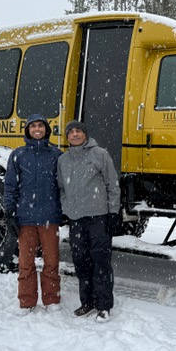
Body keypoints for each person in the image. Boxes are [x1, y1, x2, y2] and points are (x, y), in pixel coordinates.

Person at [57, 120, 120, 322]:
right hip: (76, 220)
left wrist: (113, 212)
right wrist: (67, 209)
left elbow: (113, 185)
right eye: (71, 132)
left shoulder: (100, 154)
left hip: (98, 218)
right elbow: (61, 189)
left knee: (100, 262)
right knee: (81, 263)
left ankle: (104, 306)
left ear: (85, 134)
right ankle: (87, 303)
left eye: (78, 131)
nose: (75, 134)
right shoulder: (63, 160)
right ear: (67, 137)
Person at [4, 114, 63, 315]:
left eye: (40, 126)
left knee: (52, 262)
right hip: (25, 218)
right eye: (33, 126)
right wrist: (9, 212)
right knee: (26, 263)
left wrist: (63, 211)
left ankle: (51, 300)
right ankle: (27, 301)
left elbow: (63, 187)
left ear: (46, 130)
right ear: (27, 130)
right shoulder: (17, 155)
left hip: (50, 217)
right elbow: (10, 186)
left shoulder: (57, 155)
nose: (37, 129)